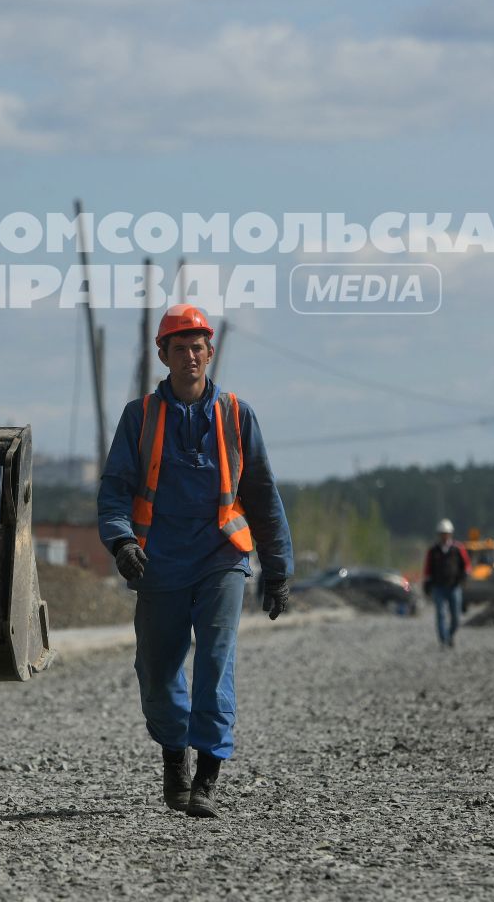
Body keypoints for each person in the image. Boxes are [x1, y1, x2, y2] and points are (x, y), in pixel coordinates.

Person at [97, 304, 294, 819]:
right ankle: (174, 760)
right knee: (157, 671)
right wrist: (122, 543)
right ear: (163, 354)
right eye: (180, 348)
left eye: (198, 348)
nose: (191, 357)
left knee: (214, 661)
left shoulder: (236, 414)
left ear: (211, 352)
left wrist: (278, 570)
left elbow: (263, 495)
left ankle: (206, 778)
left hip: (220, 558)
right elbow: (115, 489)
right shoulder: (139, 417)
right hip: (158, 561)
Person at [422, 519, 471, 649]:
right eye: (442, 533)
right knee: (441, 615)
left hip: (454, 587)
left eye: (446, 533)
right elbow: (427, 569)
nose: (444, 536)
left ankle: (449, 635)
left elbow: (466, 565)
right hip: (439, 587)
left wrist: (464, 577)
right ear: (439, 534)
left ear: (450, 534)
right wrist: (427, 583)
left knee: (456, 617)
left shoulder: (458, 548)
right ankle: (443, 640)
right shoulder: (433, 551)